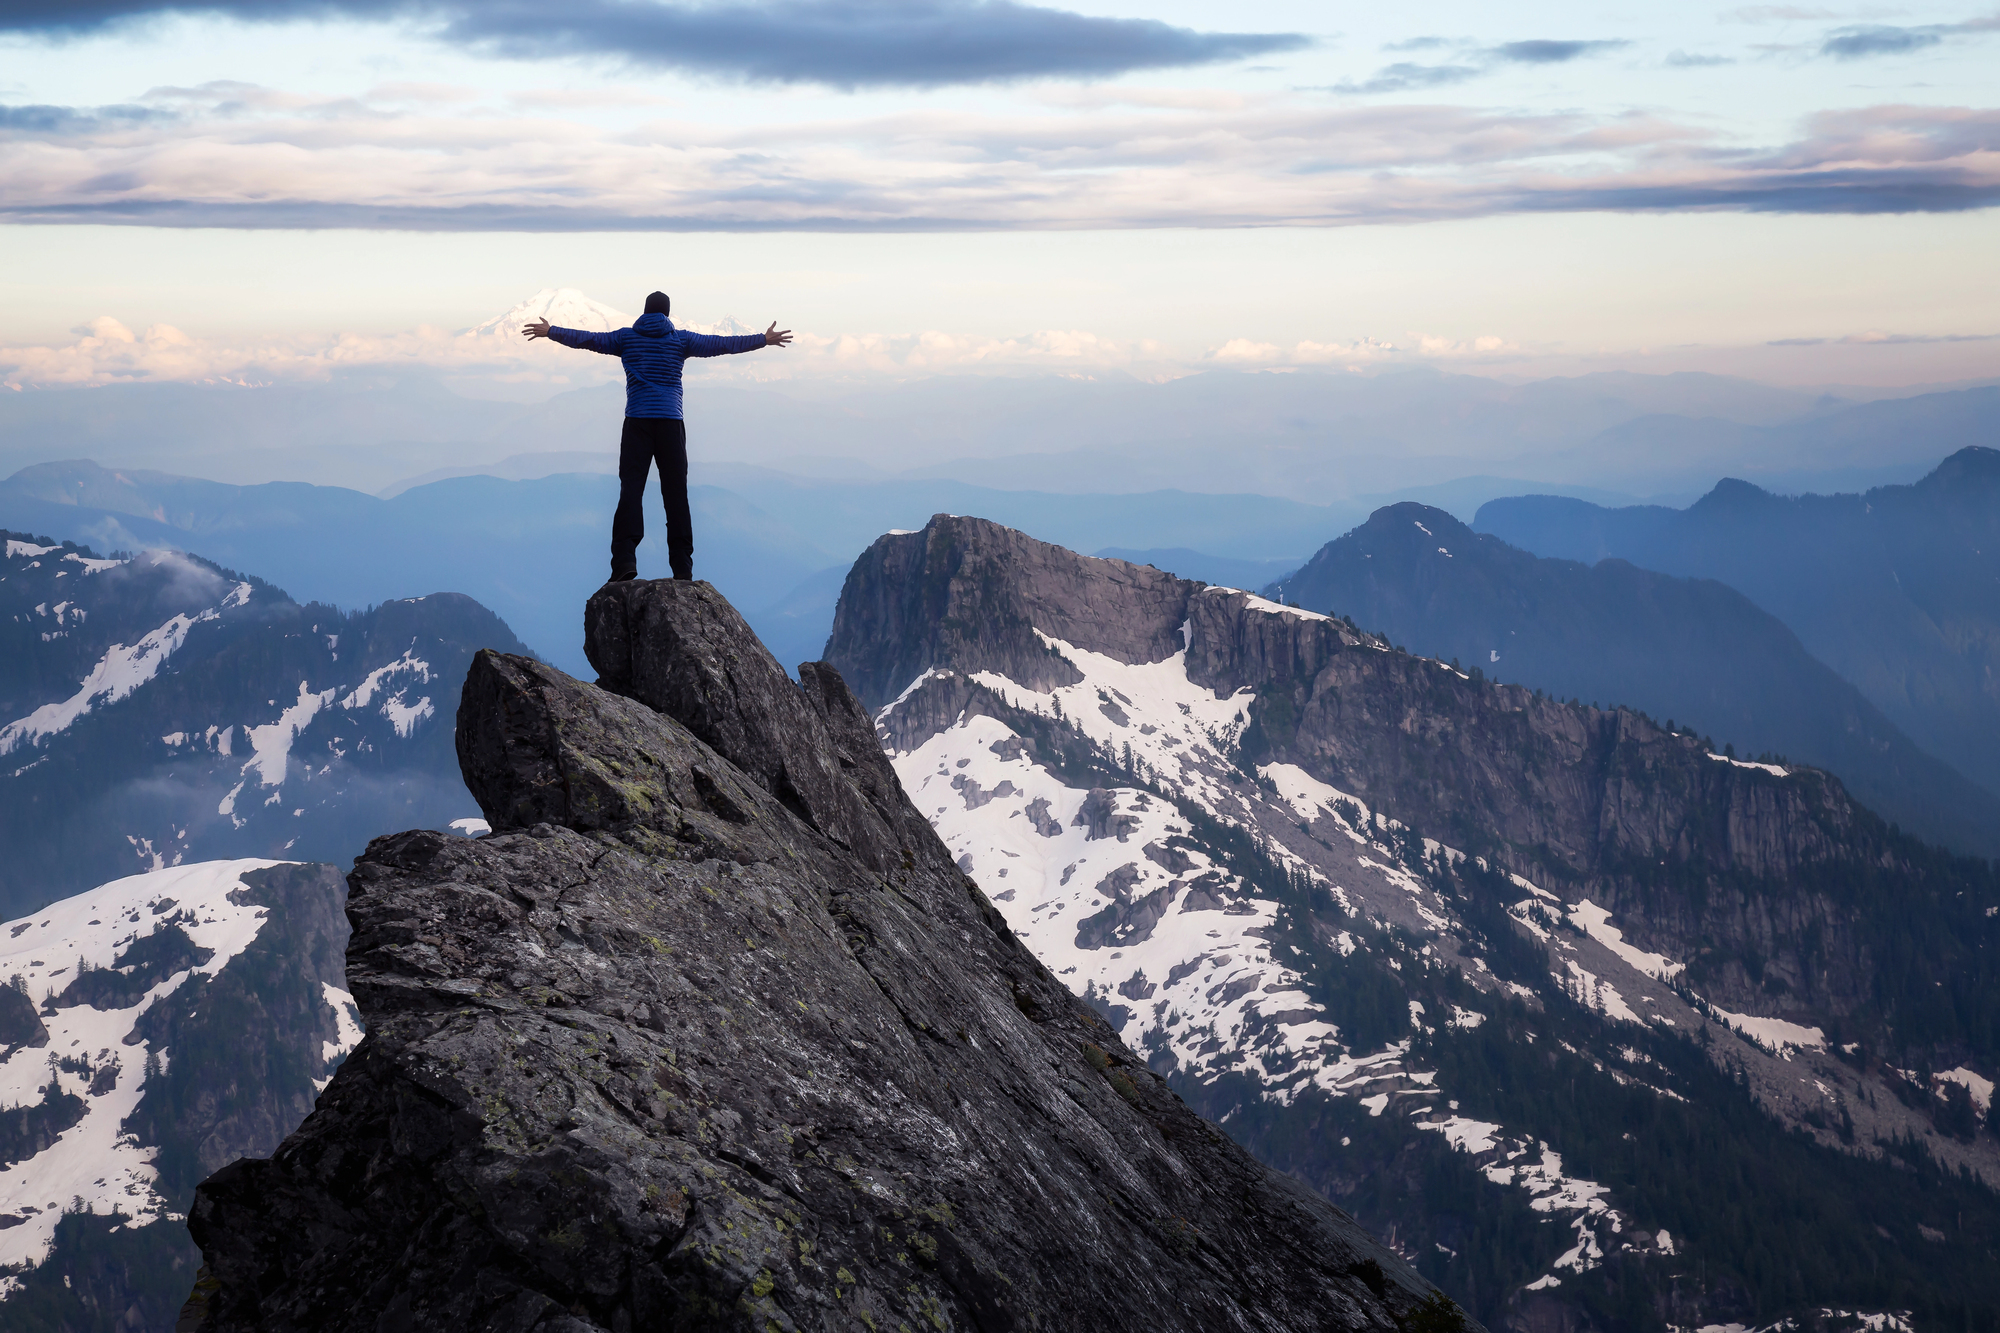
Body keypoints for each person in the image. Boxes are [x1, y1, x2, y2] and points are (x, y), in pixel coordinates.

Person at [525, 292, 791, 582]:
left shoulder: (626, 338)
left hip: (637, 423)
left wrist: (552, 331)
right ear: (667, 314)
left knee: (631, 492)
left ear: (644, 312)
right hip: (670, 424)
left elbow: (589, 339)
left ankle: (624, 562)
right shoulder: (681, 339)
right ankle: (682, 568)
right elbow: (722, 344)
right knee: (676, 495)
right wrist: (762, 339)